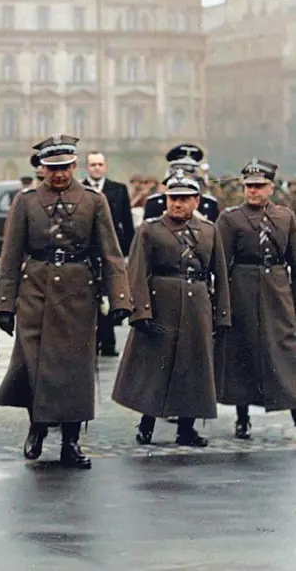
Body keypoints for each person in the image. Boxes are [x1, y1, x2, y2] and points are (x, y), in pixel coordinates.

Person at [0, 134, 131, 469]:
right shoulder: (25, 202)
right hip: (35, 290)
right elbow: (10, 257)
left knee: (75, 371)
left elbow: (111, 253)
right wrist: (5, 305)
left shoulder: (94, 202)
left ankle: (71, 442)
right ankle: (37, 427)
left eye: (65, 167)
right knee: (33, 365)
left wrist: (120, 299)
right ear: (42, 168)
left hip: (77, 292)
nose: (59, 174)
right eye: (52, 168)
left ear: (74, 165)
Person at [112, 170, 231, 447]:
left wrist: (222, 314)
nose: (177, 204)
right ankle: (146, 423)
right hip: (162, 303)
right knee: (156, 367)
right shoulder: (150, 230)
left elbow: (220, 274)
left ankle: (186, 429)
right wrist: (141, 311)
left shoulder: (209, 231)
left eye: (184, 199)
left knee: (194, 367)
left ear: (197, 201)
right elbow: (137, 272)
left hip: (197, 306)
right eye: (172, 198)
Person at [215, 159, 296, 438]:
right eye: (249, 186)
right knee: (242, 350)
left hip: (277, 288)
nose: (253, 192)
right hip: (242, 286)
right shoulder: (230, 218)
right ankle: (242, 416)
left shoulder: (286, 217)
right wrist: (222, 303)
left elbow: (294, 260)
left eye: (259, 186)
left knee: (285, 350)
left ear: (271, 188)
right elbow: (221, 262)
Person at [82, 151, 135, 357]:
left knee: (111, 295)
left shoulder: (118, 189)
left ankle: (109, 342)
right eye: (93, 164)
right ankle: (91, 341)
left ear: (105, 166)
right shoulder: (80, 190)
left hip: (112, 250)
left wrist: (128, 253)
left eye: (100, 164)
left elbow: (127, 222)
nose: (97, 168)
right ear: (87, 167)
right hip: (88, 250)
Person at [144, 144, 219, 222]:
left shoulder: (209, 203)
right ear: (170, 173)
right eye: (178, 170)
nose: (183, 175)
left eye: (190, 171)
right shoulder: (155, 202)